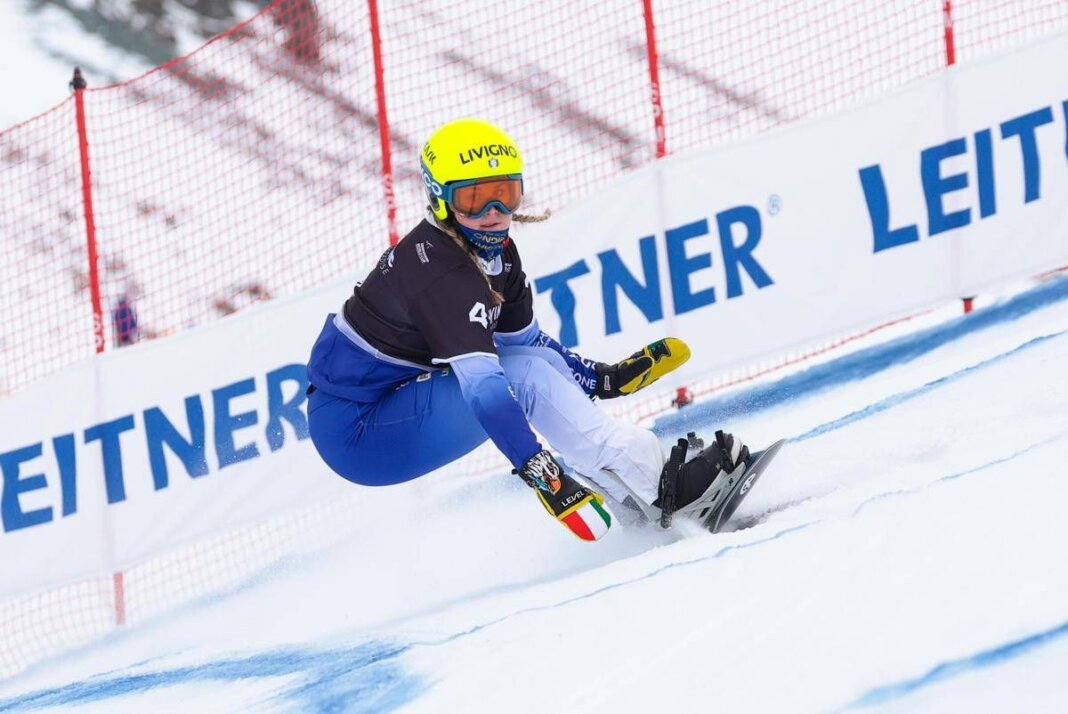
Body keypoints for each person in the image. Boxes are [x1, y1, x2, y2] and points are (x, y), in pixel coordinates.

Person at [305, 118, 748, 541]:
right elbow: (487, 390)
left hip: (388, 400)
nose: (495, 214)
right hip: (359, 433)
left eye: (505, 194)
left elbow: (527, 344)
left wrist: (603, 379)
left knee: (531, 364)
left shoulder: (497, 253)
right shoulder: (440, 273)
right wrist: (544, 475)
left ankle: (631, 494)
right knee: (522, 377)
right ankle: (656, 486)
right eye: (475, 199)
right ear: (440, 199)